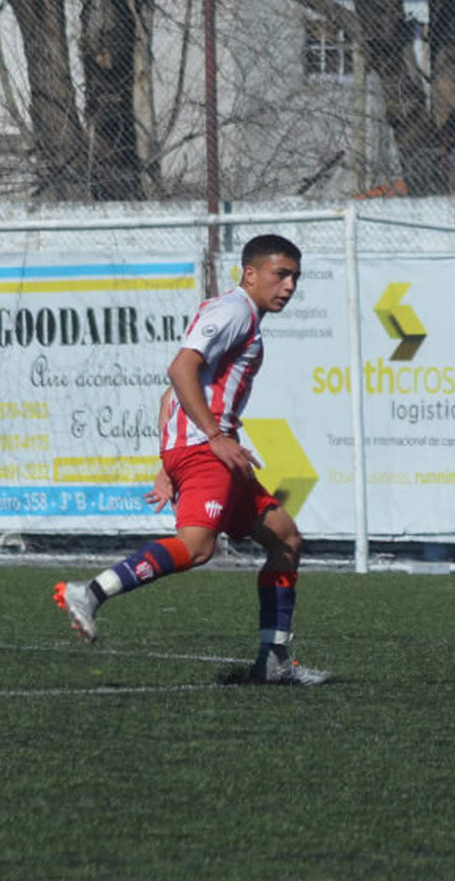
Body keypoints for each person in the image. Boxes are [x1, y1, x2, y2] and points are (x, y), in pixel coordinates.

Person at [54, 234, 330, 686]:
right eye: (281, 274)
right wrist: (214, 437)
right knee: (197, 547)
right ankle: (91, 591)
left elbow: (172, 395)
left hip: (213, 452)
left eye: (295, 277)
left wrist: (168, 464)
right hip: (210, 451)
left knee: (285, 540)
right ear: (251, 273)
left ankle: (274, 660)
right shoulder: (234, 310)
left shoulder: (244, 317)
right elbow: (179, 369)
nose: (289, 285)